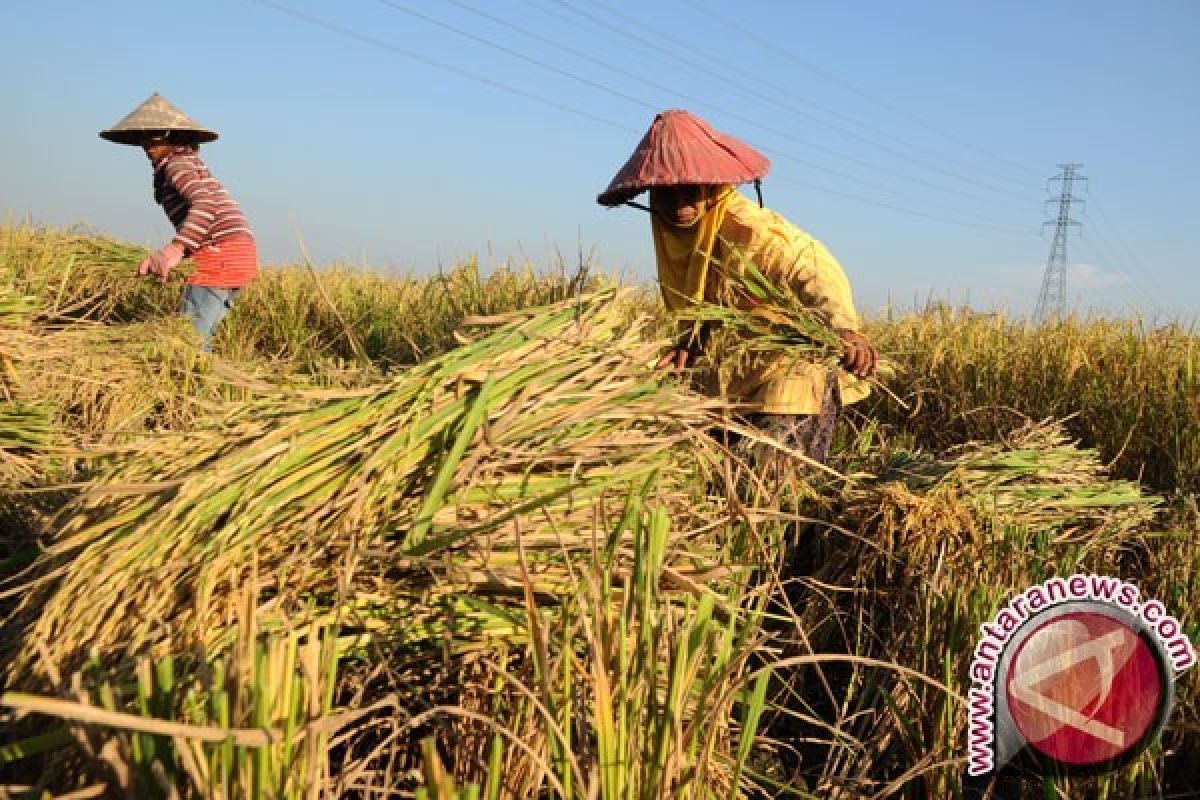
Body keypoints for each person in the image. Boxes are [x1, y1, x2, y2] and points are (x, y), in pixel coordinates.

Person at [597, 109, 877, 468]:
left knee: (771, 493)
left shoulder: (751, 231)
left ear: (711, 184)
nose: (680, 203)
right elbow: (709, 306)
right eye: (666, 192)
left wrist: (843, 330)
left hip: (786, 382)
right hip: (731, 385)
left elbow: (814, 270)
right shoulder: (676, 237)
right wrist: (689, 346)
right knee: (715, 487)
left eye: (689, 188)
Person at [100, 93, 257, 349]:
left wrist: (175, 249)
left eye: (157, 136)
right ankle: (201, 381)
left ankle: (196, 385)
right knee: (198, 339)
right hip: (235, 254)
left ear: (175, 137)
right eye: (144, 137)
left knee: (187, 345)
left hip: (219, 256)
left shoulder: (177, 164)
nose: (147, 145)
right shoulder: (186, 163)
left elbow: (205, 204)